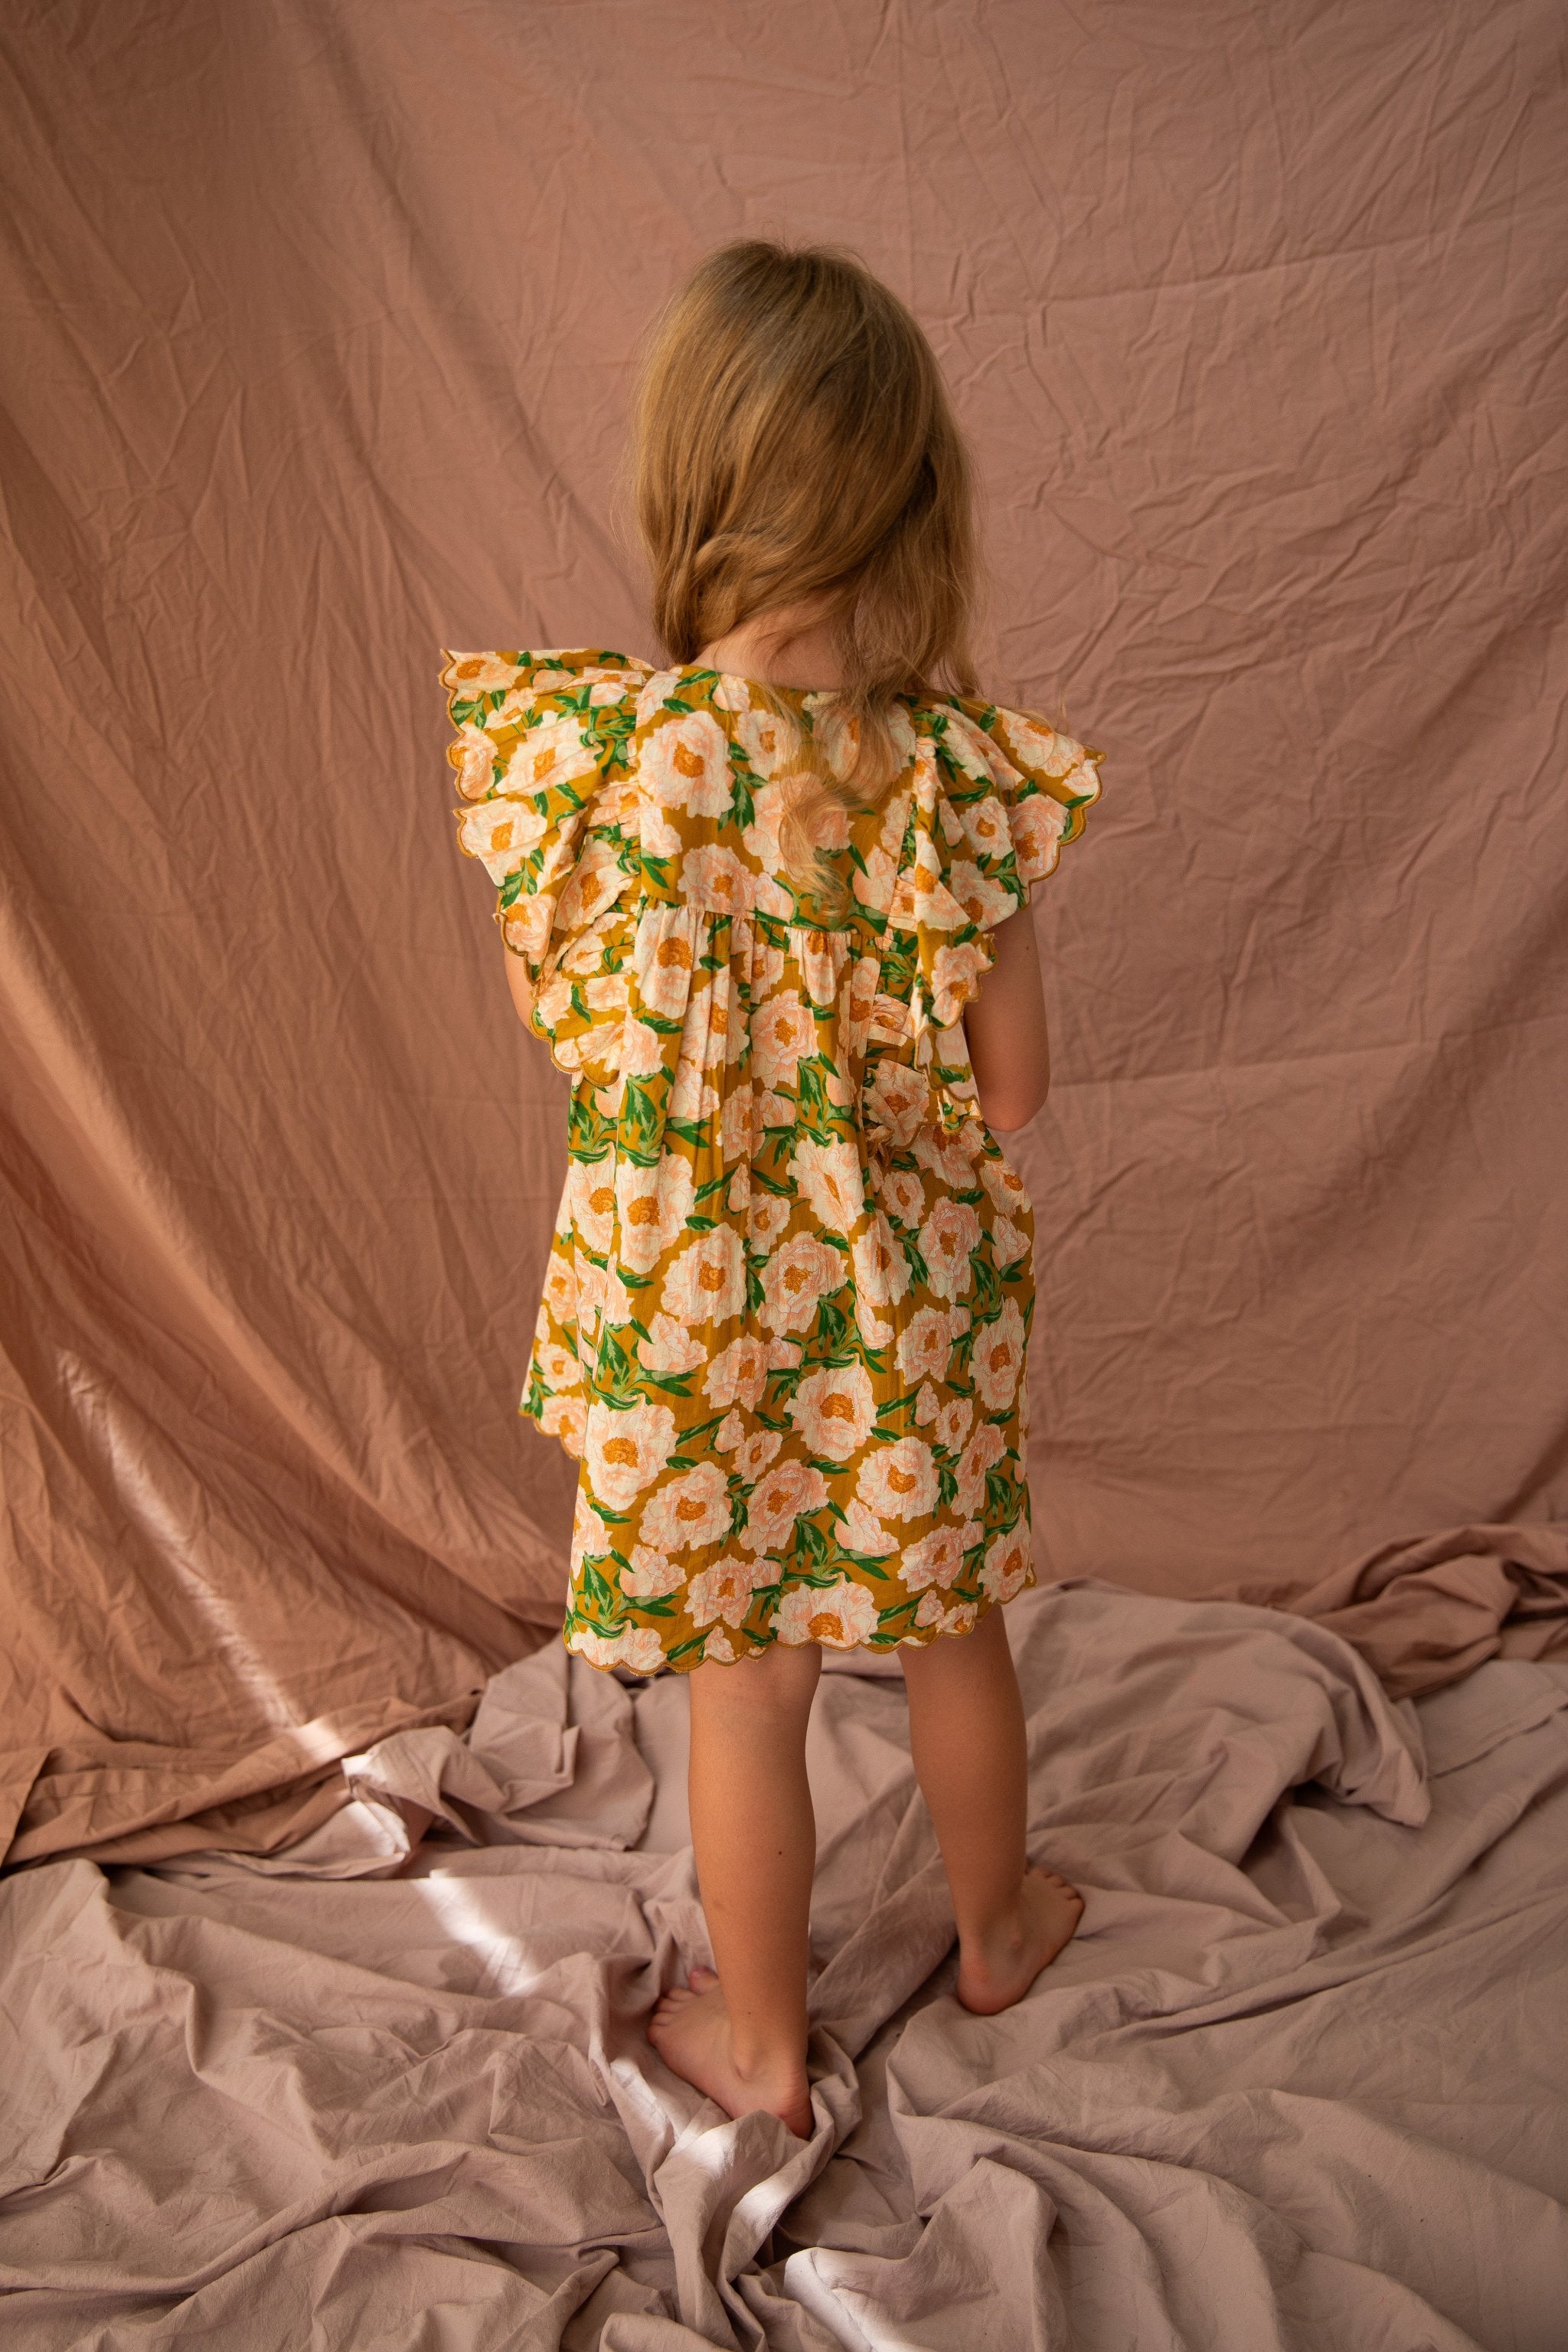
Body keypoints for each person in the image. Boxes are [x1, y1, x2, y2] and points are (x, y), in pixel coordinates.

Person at [440, 241, 1104, 2138]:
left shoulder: (598, 771)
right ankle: (997, 1925)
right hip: (902, 1316)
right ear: (915, 499)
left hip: (691, 1318)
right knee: (955, 1618)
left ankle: (763, 2048)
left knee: (746, 1699)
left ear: (695, 488)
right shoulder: (952, 776)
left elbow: (567, 1028)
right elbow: (1020, 1086)